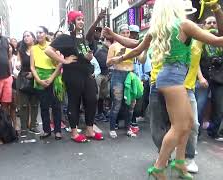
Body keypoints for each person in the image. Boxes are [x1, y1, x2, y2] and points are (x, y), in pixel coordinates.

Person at [111, 0, 223, 179]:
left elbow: (136, 49)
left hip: (169, 78)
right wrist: (217, 8)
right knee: (180, 126)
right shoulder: (185, 25)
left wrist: (119, 58)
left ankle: (179, 163)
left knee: (187, 124)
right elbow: (218, 41)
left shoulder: (157, 29)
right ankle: (159, 167)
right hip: (173, 79)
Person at [45, 11, 103, 142]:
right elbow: (48, 50)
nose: (81, 21)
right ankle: (74, 132)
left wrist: (89, 57)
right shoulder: (65, 37)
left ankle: (89, 130)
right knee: (74, 102)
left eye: (82, 19)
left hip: (87, 73)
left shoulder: (83, 37)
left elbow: (87, 52)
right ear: (71, 22)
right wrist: (64, 61)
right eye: (78, 19)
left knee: (91, 100)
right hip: (72, 75)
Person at [30, 26, 63, 140]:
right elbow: (32, 67)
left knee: (56, 106)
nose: (39, 35)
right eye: (37, 33)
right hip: (39, 78)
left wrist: (52, 78)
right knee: (43, 106)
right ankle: (46, 130)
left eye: (41, 32)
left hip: (54, 78)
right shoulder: (33, 48)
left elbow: (60, 63)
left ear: (45, 34)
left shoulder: (53, 46)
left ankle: (58, 131)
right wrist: (38, 80)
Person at [17, 31, 40, 137]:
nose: (26, 38)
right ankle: (24, 128)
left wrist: (35, 74)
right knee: (23, 105)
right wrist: (17, 65)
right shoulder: (21, 50)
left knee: (35, 104)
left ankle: (33, 125)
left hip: (36, 78)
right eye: (24, 36)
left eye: (28, 36)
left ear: (33, 37)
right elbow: (18, 63)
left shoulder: (38, 49)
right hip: (23, 79)